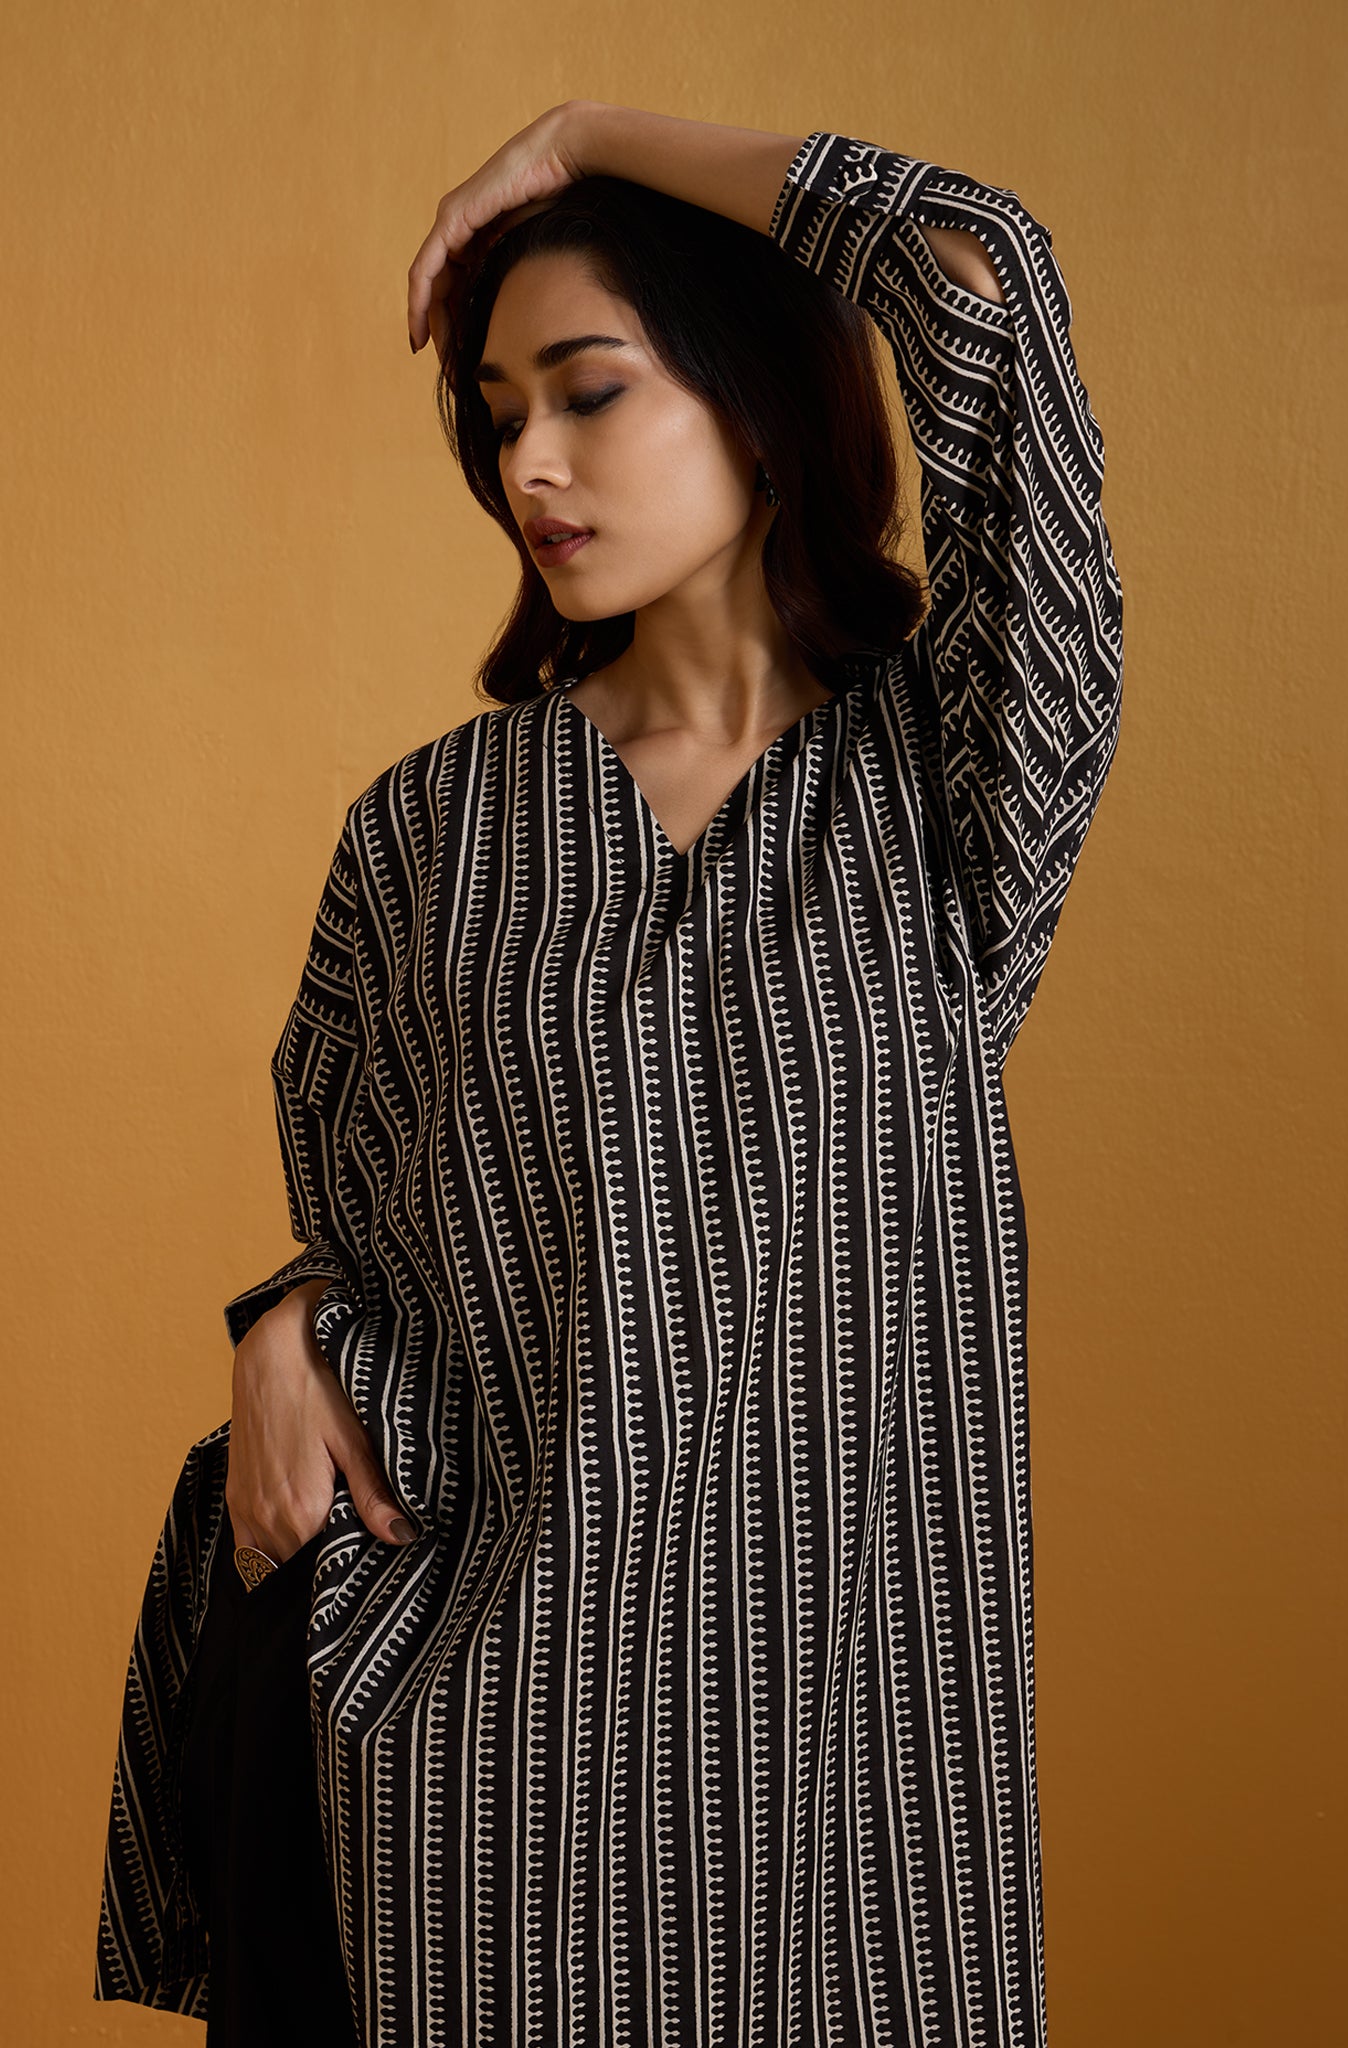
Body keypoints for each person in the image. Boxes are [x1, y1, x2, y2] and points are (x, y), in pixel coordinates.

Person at [95, 99, 1123, 2047]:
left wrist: (590, 141)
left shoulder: (944, 784)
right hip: (474, 1810)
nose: (530, 463)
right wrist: (288, 1319)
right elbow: (379, 1241)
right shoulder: (426, 835)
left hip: (851, 1833)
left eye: (587, 390)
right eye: (497, 416)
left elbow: (981, 275)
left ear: (757, 404)